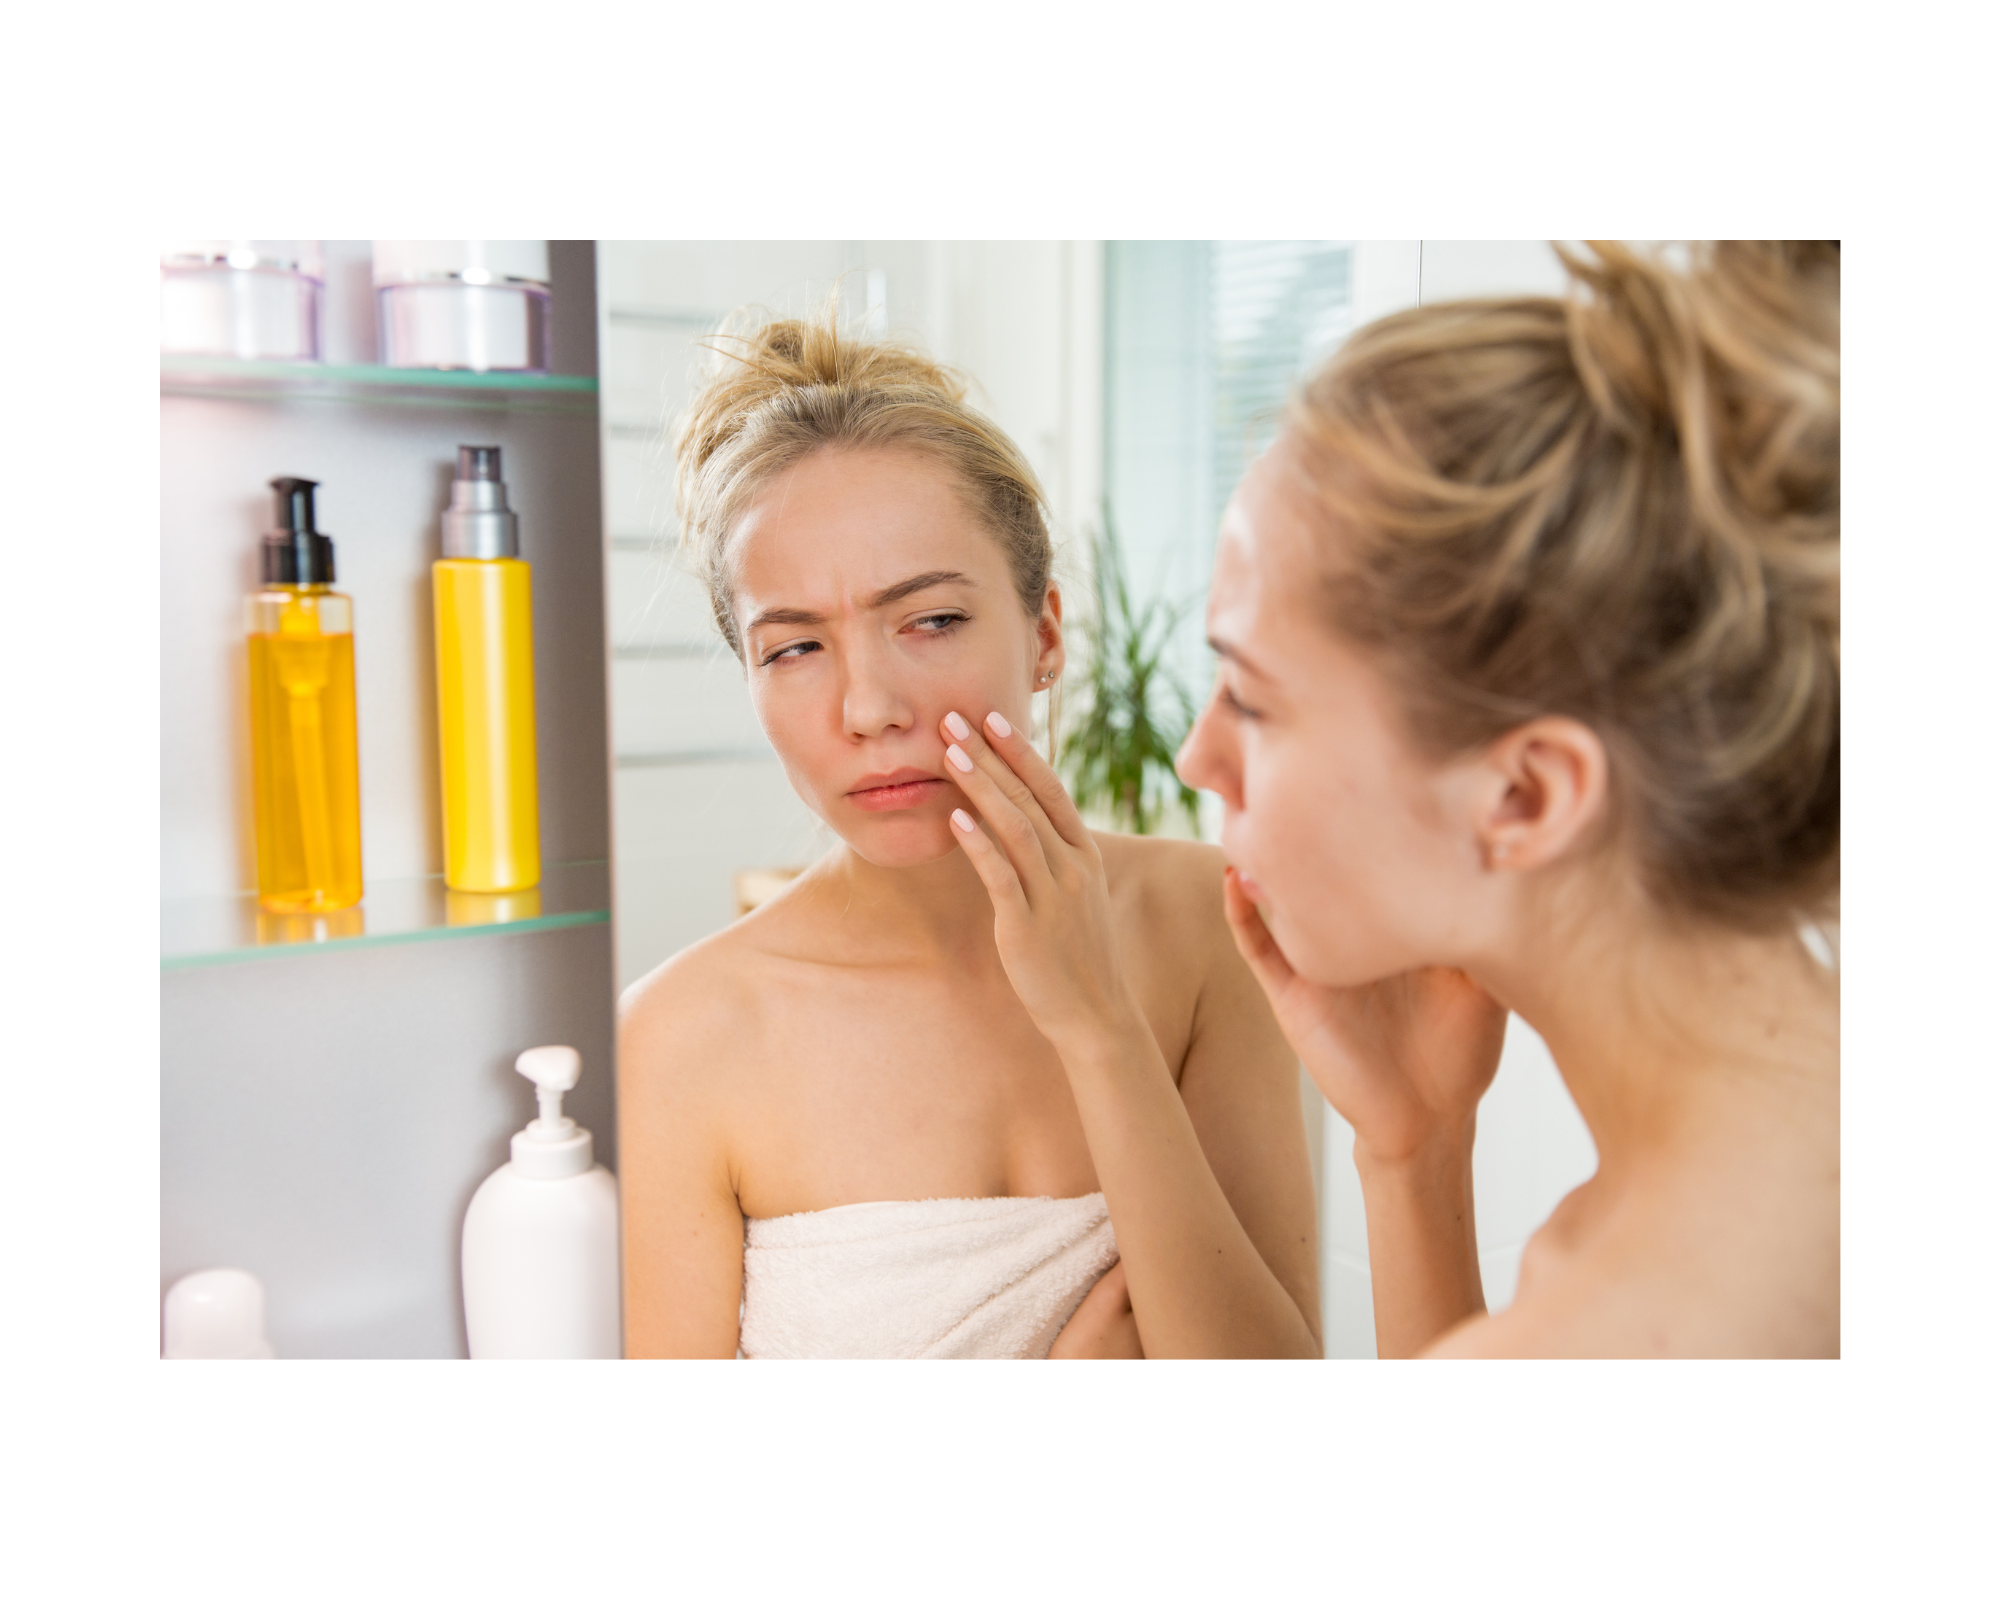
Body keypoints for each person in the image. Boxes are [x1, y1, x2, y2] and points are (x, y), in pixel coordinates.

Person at [1173, 240, 1840, 1356]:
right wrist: (1413, 1149)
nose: (1198, 757)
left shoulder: (1624, 1332)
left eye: (1248, 695)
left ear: (1525, 795)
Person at [617, 312, 1321, 1358]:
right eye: (795, 648)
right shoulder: (677, 1040)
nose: (868, 708)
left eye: (931, 620)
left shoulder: (1206, 922)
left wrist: (1101, 1027)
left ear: (1044, 634)